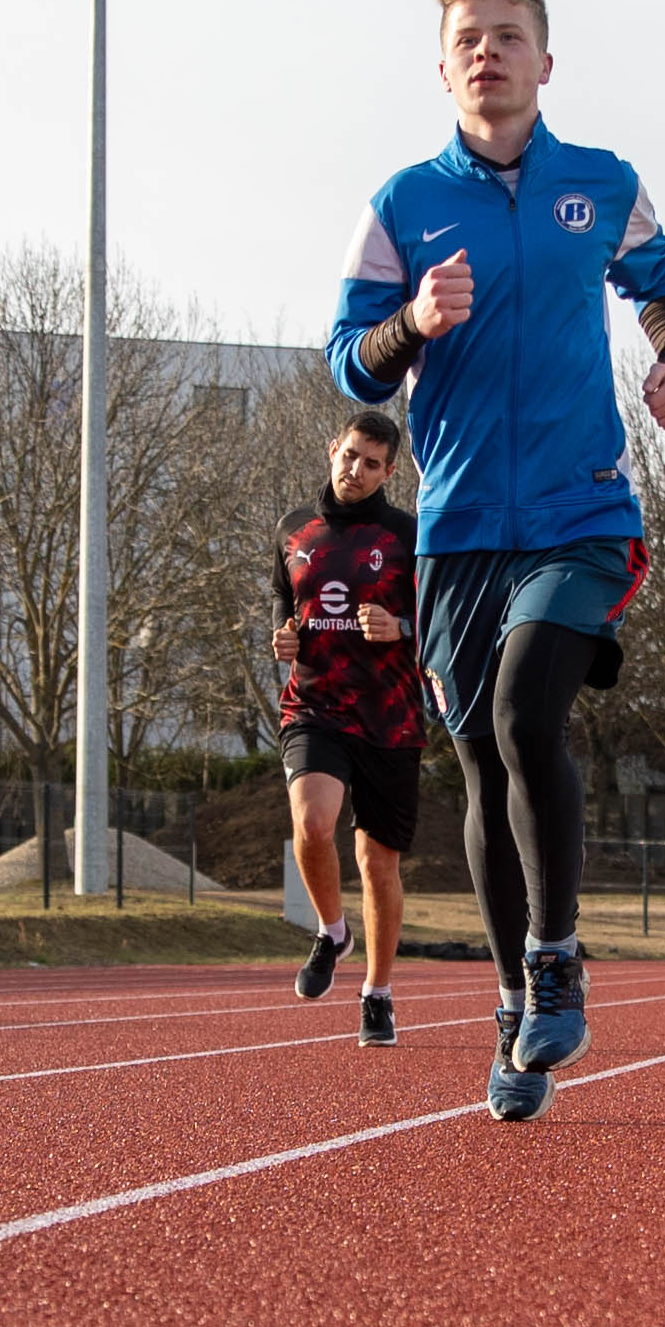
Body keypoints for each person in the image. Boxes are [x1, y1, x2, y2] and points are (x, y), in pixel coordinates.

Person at [329, 0, 665, 1123]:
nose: (488, 53)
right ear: (443, 69)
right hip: (461, 528)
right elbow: (346, 358)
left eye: (509, 35)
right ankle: (509, 999)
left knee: (526, 714)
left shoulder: (602, 183)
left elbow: (660, 277)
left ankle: (555, 955)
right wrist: (410, 323)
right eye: (468, 40)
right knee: (482, 764)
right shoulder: (400, 205)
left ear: (547, 61)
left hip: (581, 512)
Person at [272, 406, 422, 1047]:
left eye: (371, 464)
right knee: (311, 824)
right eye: (349, 456)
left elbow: (442, 623)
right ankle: (332, 933)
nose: (355, 471)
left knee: (376, 861)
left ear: (390, 470)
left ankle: (378, 994)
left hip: (390, 717)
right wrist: (281, 634)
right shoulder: (292, 528)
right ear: (332, 448)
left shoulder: (408, 535)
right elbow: (285, 597)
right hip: (314, 706)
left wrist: (402, 628)